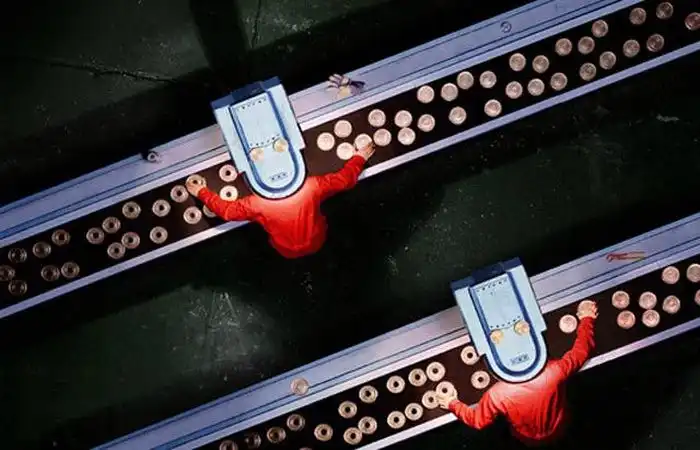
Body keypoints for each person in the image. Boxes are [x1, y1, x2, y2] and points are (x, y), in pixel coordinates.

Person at [436, 300, 598, 447]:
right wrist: (587, 318)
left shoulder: (498, 394)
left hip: (526, 437)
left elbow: (478, 421)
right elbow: (582, 351)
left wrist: (452, 403)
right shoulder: (553, 372)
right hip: (558, 426)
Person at [185, 143, 376, 259]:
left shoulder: (257, 203)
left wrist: (201, 191)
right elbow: (344, 180)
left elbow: (227, 212)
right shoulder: (311, 187)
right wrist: (359, 158)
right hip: (316, 241)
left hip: (285, 249)